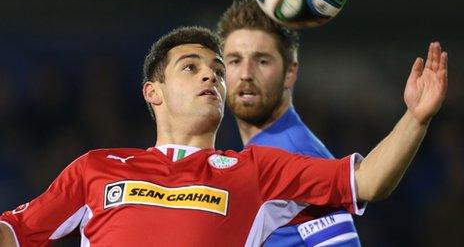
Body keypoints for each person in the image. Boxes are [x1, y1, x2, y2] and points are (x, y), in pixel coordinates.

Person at [0, 26, 448, 246]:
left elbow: (367, 182)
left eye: (218, 72)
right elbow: (16, 232)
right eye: (190, 68)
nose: (211, 79)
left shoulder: (257, 170)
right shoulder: (96, 168)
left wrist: (416, 117)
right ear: (152, 92)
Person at [216, 0, 359, 246]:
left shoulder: (300, 157)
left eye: (262, 60)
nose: (247, 74)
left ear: (290, 73)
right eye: (235, 60)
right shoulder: (260, 154)